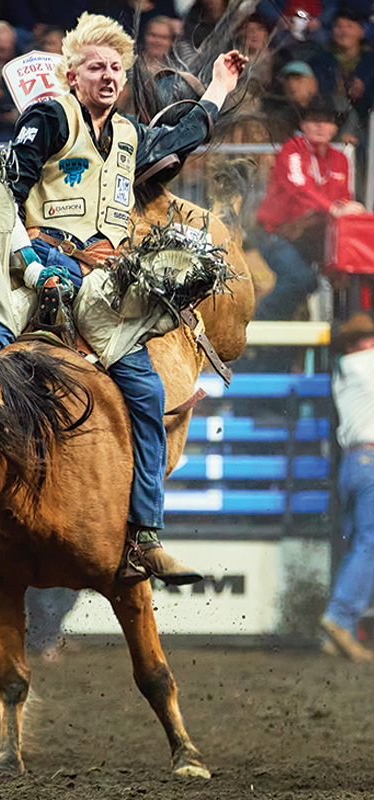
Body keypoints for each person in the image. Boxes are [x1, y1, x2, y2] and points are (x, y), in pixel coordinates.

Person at [0, 13, 247, 586]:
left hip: (100, 281)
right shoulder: (48, 117)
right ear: (72, 75)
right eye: (97, 67)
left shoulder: (126, 135)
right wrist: (35, 265)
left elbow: (180, 137)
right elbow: (6, 193)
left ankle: (143, 535)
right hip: (34, 265)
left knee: (144, 392)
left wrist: (218, 87)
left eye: (117, 67)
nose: (110, 76)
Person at [255, 97, 364, 322]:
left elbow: (343, 200)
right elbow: (298, 185)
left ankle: (343, 338)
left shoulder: (340, 159)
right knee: (303, 279)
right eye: (313, 120)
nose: (320, 126)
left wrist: (349, 208)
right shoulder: (292, 149)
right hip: (275, 234)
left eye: (326, 121)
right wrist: (333, 208)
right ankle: (256, 323)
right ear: (303, 125)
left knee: (347, 277)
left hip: (311, 239)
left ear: (335, 128)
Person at [320, 313, 374, 663]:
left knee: (360, 543)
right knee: (370, 543)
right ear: (361, 342)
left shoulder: (348, 369)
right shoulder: (364, 364)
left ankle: (338, 630)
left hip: (355, 464)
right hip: (370, 461)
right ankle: (339, 618)